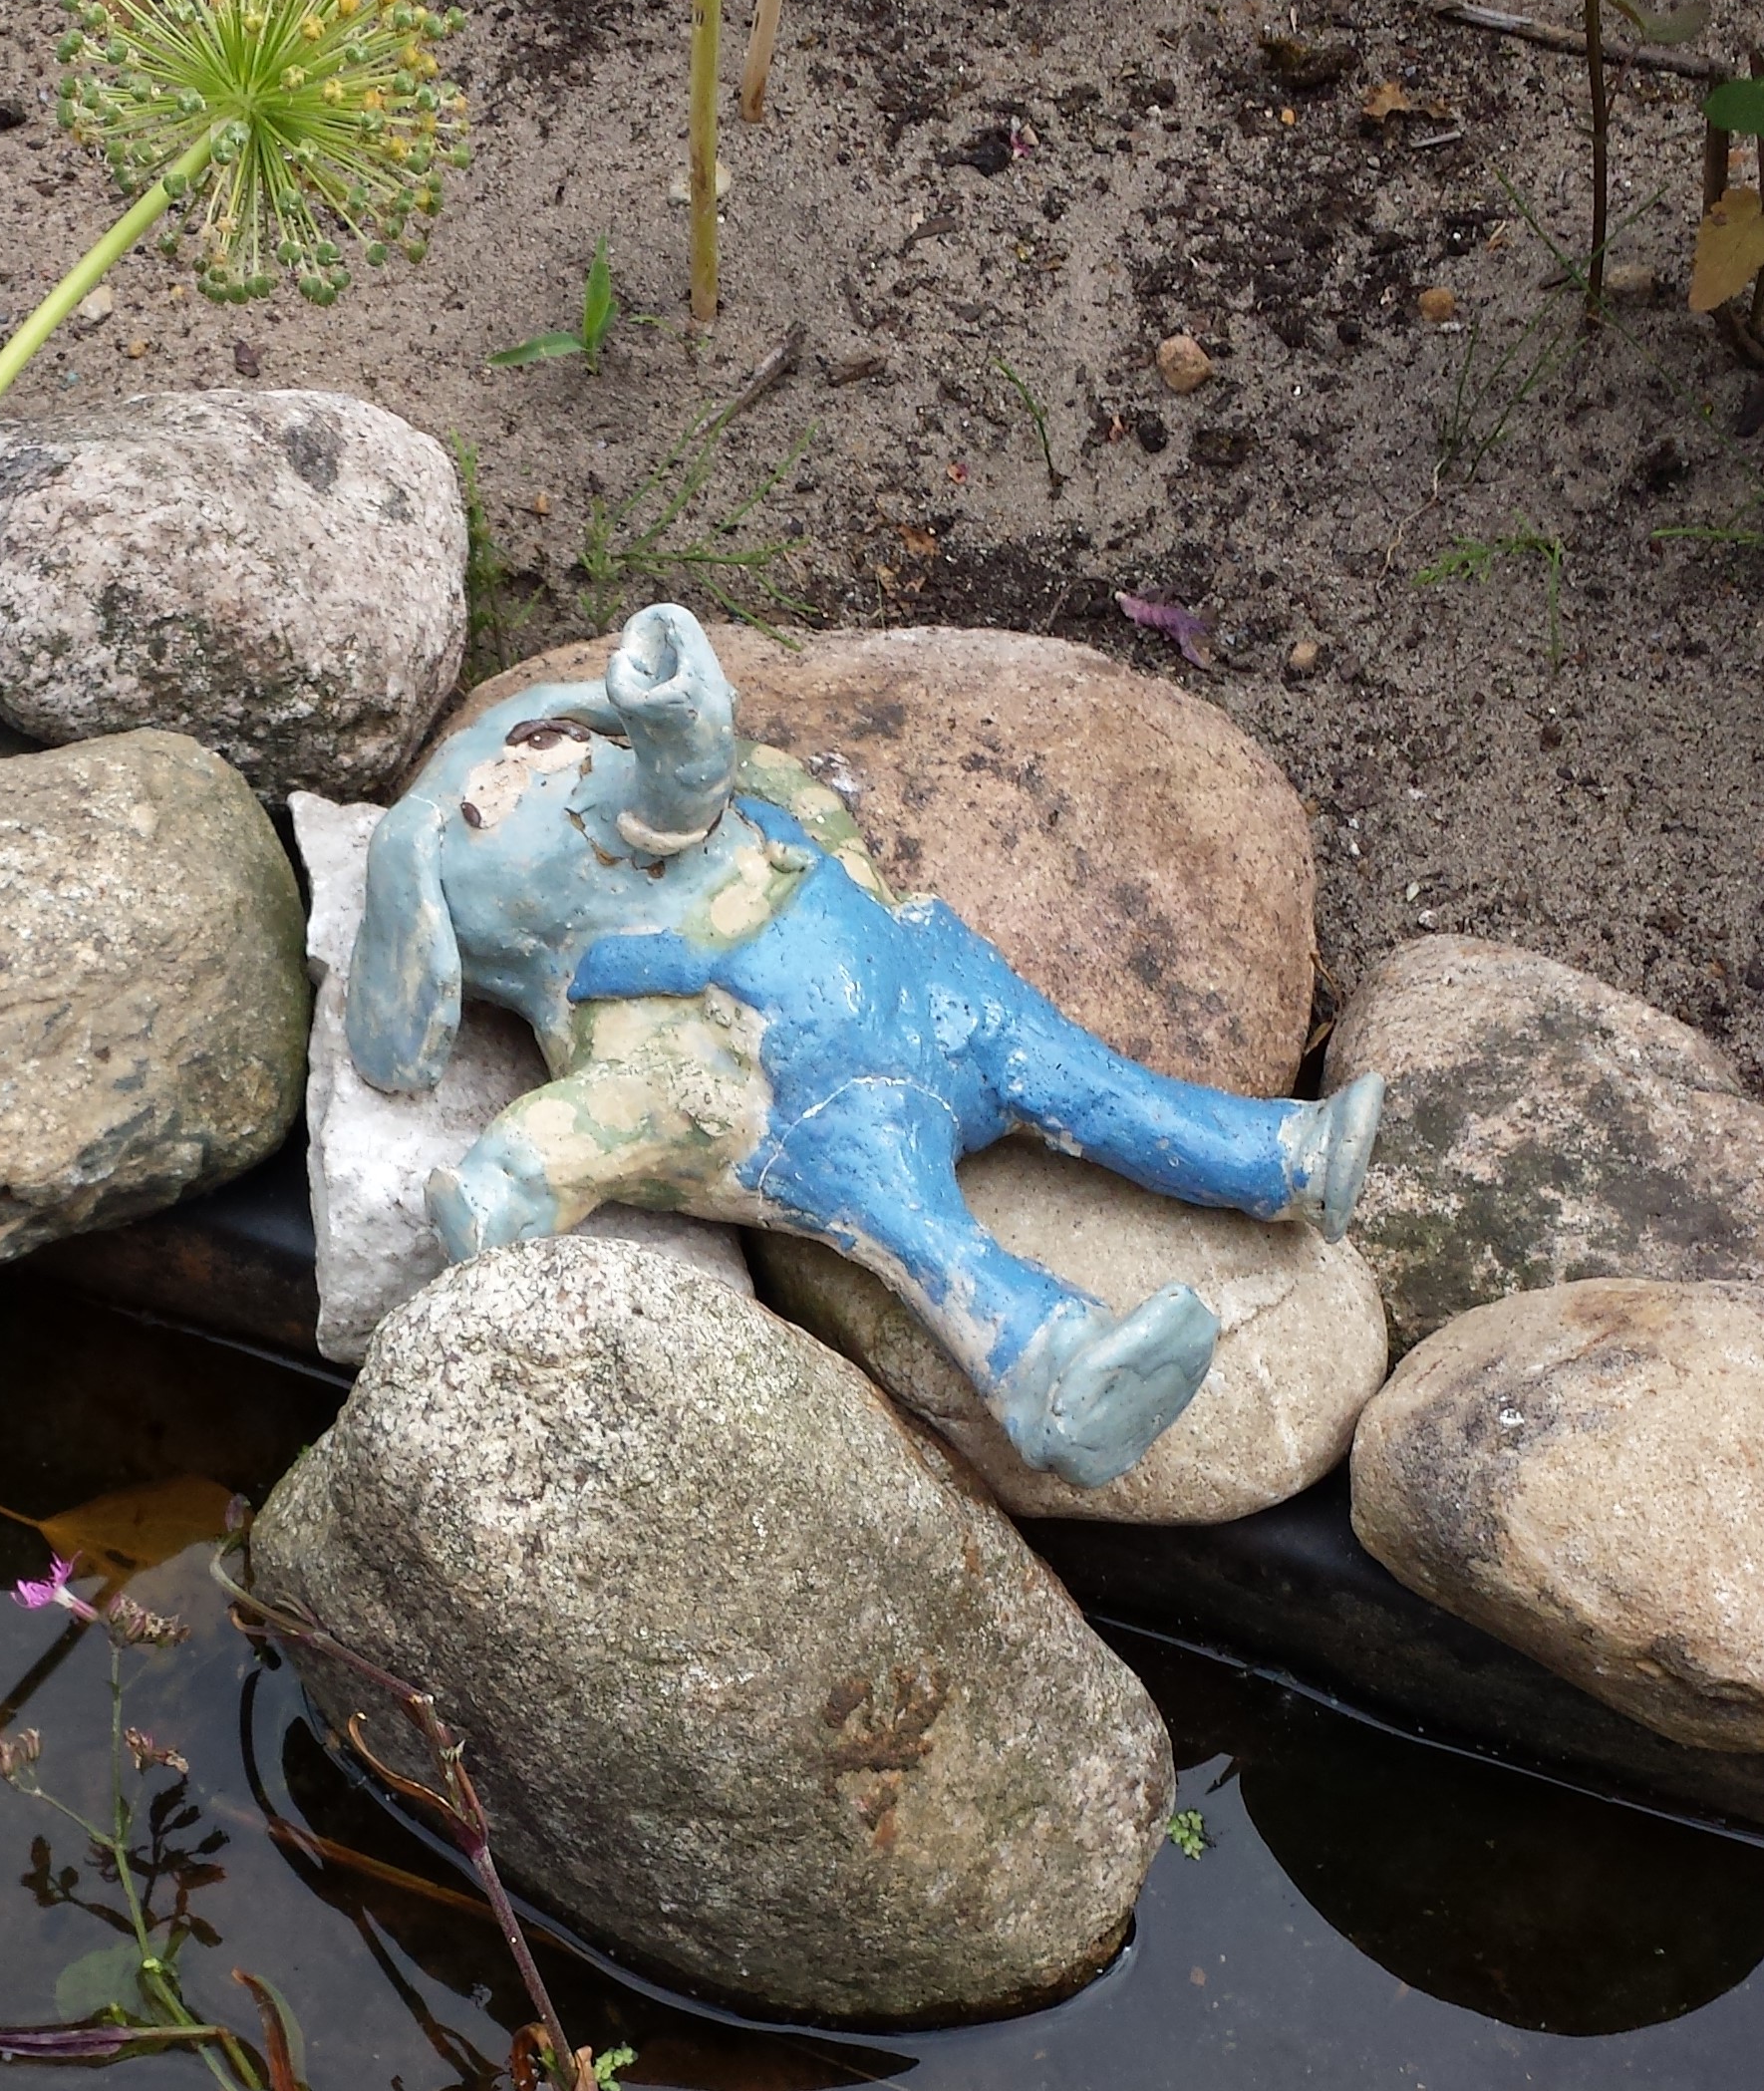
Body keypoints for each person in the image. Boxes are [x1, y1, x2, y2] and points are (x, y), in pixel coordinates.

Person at [345, 604, 1381, 1489]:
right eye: (511, 804)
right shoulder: (610, 1008)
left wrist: (848, 866)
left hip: (937, 990)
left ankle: (1277, 1157)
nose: (571, 786)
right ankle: (1056, 1374)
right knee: (923, 1235)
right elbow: (610, 1114)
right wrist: (514, 1178)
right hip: (813, 1105)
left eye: (566, 746)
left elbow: (800, 801)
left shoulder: (738, 816)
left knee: (1098, 1085)